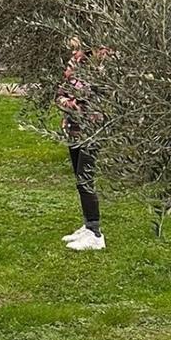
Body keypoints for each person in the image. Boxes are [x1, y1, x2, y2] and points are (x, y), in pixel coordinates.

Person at [57, 37, 105, 251]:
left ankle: (95, 234)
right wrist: (67, 103)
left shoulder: (103, 66)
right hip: (73, 128)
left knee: (86, 179)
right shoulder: (75, 63)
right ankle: (88, 226)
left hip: (92, 130)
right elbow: (60, 92)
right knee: (79, 177)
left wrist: (77, 102)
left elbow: (100, 96)